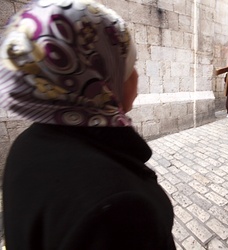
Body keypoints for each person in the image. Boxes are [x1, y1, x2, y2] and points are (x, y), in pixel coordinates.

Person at [0, 1, 176, 249]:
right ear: (97, 75)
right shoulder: (119, 207)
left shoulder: (27, 145)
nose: (136, 76)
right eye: (129, 65)